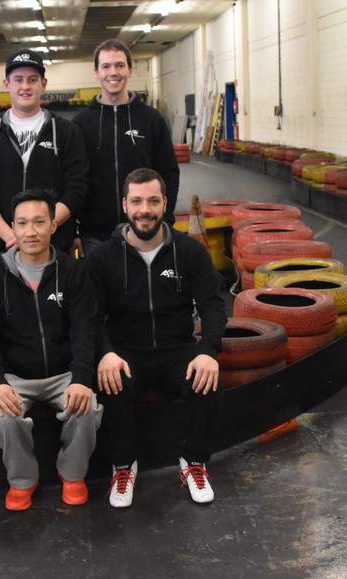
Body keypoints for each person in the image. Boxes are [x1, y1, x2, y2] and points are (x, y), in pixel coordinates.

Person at [86, 168, 227, 509]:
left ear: (165, 203)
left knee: (207, 383)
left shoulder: (190, 252)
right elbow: (89, 316)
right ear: (125, 205)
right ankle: (123, 466)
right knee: (109, 383)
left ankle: (193, 462)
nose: (144, 210)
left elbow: (213, 305)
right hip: (126, 353)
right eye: (136, 201)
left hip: (177, 350)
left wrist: (208, 351)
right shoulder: (103, 258)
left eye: (152, 201)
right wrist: (104, 352)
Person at [0, 188, 102, 511]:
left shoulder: (73, 272)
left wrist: (81, 378)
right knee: (3, 418)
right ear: (12, 227)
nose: (31, 231)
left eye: (39, 222)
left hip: (64, 373)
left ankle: (72, 473)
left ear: (53, 226)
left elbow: (85, 329)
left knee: (87, 409)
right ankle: (23, 480)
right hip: (15, 376)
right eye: (22, 223)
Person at [0, 48, 89, 261]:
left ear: (43, 84)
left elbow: (77, 188)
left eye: (32, 79)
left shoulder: (66, 132)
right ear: (7, 84)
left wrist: (42, 231)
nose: (25, 86)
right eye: (18, 80)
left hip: (55, 249)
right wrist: (12, 235)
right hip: (3, 248)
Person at [73, 39, 182, 256]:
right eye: (106, 66)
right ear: (96, 72)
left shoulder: (151, 119)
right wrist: (72, 231)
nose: (113, 72)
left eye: (120, 65)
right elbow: (72, 179)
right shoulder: (80, 123)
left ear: (130, 70)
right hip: (94, 236)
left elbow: (169, 173)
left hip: (145, 231)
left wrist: (166, 219)